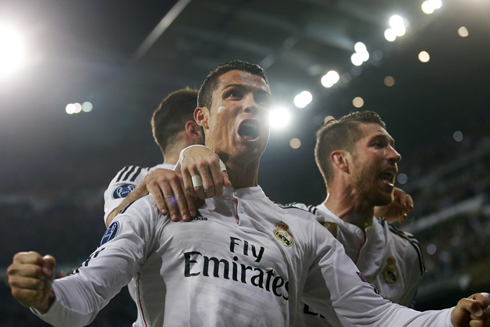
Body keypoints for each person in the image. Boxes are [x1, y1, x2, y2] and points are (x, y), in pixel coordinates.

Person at [8, 60, 490, 326]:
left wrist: (449, 318)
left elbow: (374, 316)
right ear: (202, 119)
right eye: (234, 95)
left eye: (261, 98)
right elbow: (85, 296)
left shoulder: (301, 228)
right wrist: (46, 293)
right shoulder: (158, 198)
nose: (250, 104)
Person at [292, 112, 423, 326]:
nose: (395, 155)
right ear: (342, 160)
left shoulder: (407, 254)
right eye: (378, 144)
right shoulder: (294, 232)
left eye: (392, 145)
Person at [103, 88, 230, 227]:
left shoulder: (226, 183)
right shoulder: (139, 175)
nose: (219, 134)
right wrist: (144, 188)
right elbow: (114, 225)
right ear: (194, 130)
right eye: (211, 126)